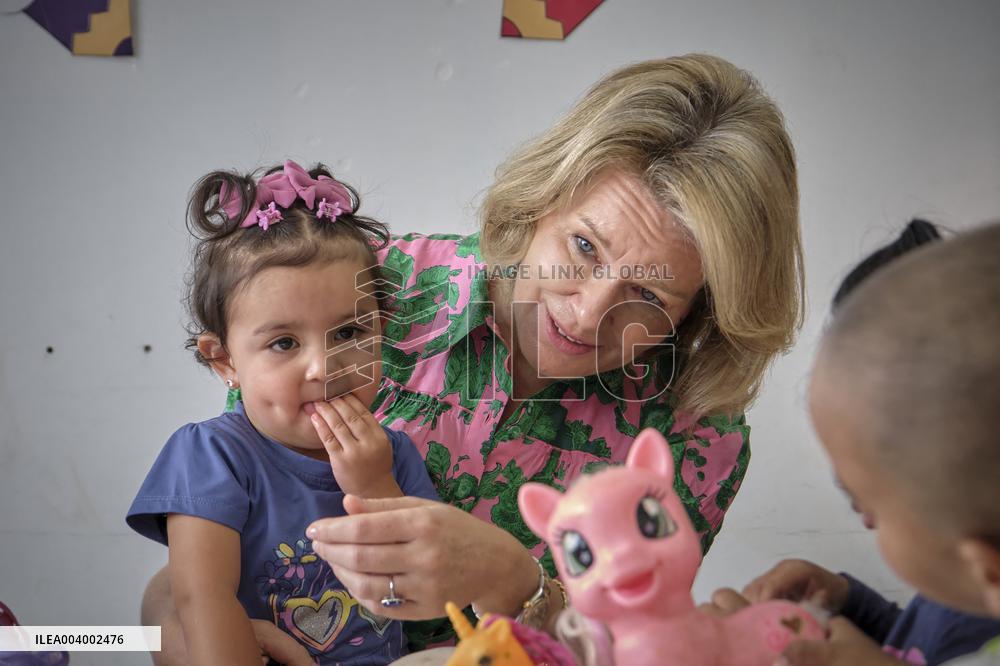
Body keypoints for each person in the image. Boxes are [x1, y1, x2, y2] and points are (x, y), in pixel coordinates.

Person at [143, 53, 806, 660]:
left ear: (702, 316)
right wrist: (180, 616)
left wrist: (519, 583)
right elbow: (232, 527)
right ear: (541, 200)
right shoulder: (355, 299)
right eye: (583, 248)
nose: (586, 312)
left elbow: (645, 646)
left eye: (648, 293)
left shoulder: (694, 434)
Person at [127, 160, 438, 665]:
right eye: (284, 342)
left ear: (381, 328)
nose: (324, 366)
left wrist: (373, 488)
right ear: (224, 360)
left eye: (349, 333)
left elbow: (410, 602)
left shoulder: (394, 458)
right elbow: (201, 600)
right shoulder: (213, 455)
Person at [710, 222, 1000, 665]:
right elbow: (924, 642)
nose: (863, 517)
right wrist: (849, 601)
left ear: (987, 570)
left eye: (875, 506)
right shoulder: (970, 593)